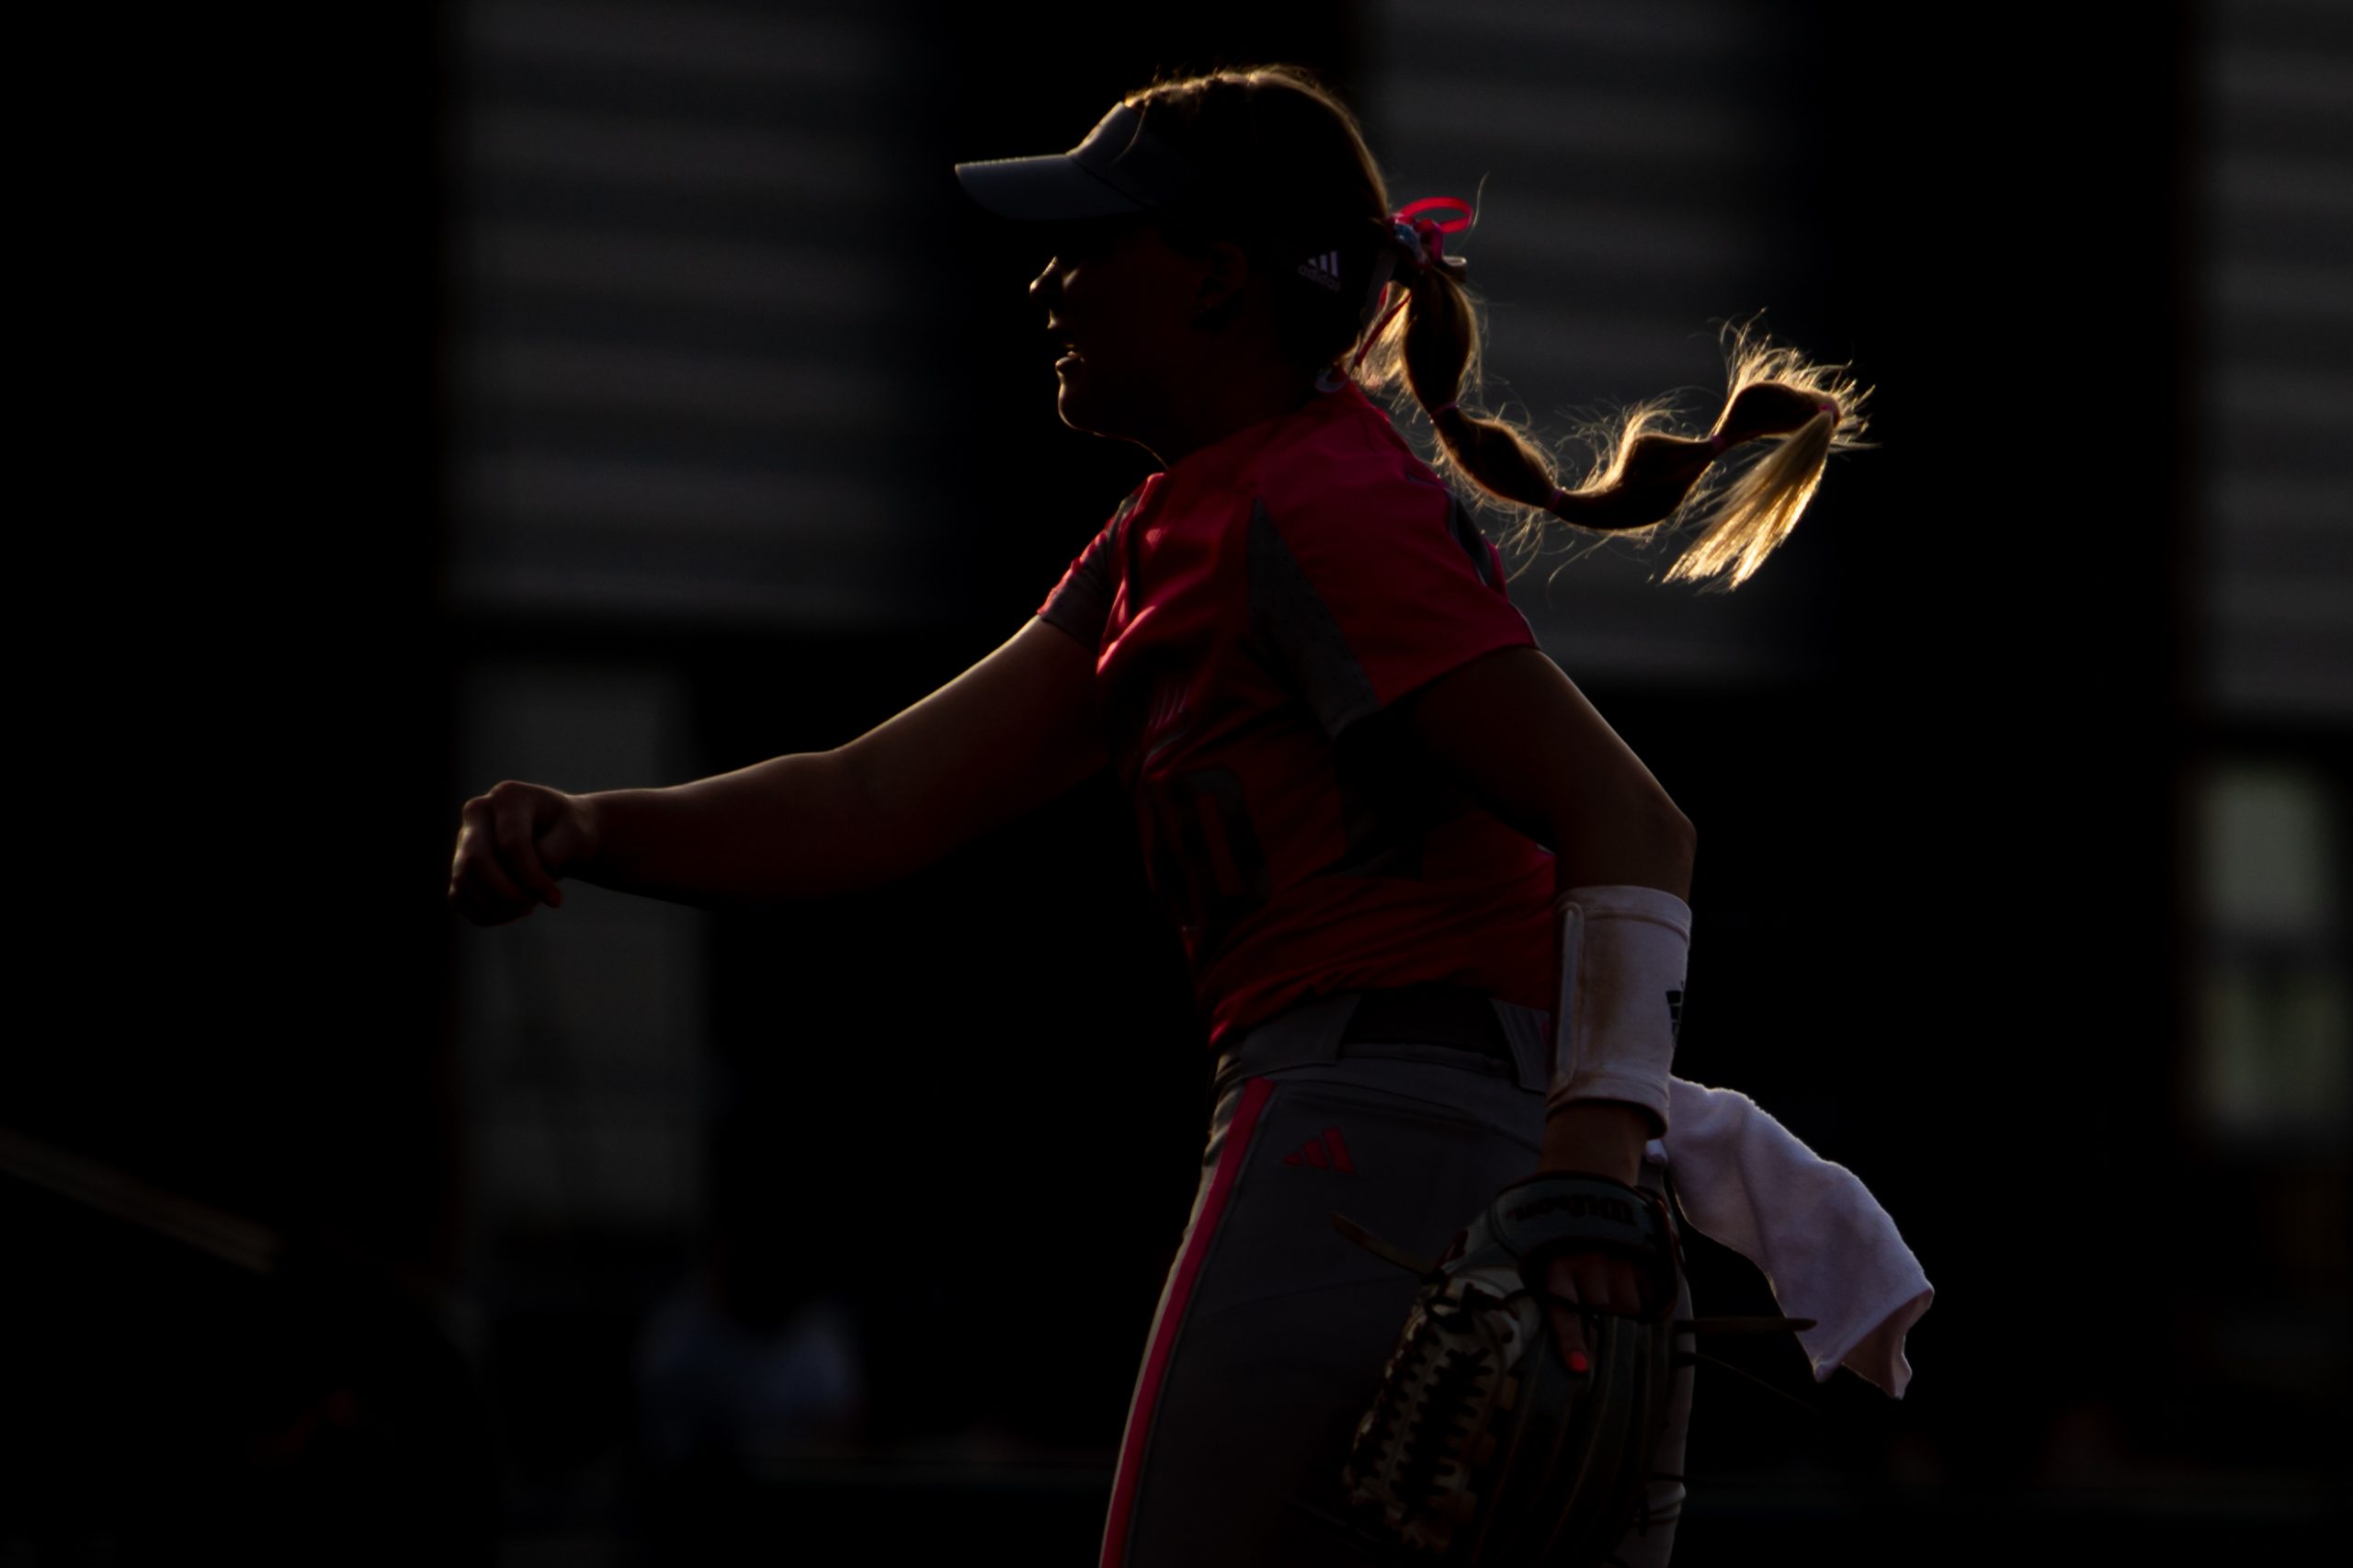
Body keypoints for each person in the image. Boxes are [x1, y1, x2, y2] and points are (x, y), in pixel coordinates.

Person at [449, 64, 1903, 1568]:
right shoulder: (1190, 519)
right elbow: (873, 800)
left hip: (1383, 1110)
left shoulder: (1309, 497)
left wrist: (1592, 1176)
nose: (1047, 280)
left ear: (1215, 280)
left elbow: (1632, 820)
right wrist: (591, 826)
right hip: (1424, 1111)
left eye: (1093, 241)